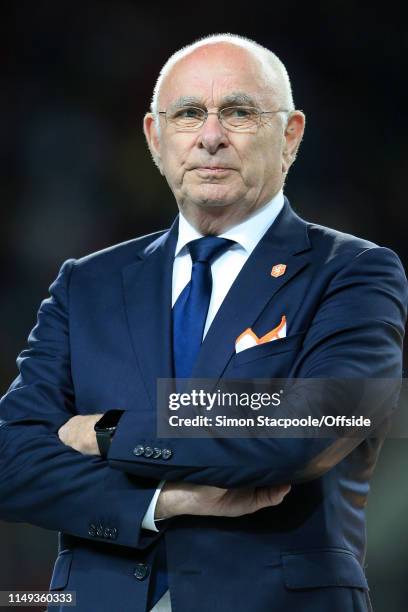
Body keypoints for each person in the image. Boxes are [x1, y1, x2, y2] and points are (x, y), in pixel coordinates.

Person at [0, 33, 406, 612]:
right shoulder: (85, 282)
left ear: (291, 135)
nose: (210, 136)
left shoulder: (355, 272)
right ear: (155, 137)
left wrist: (111, 430)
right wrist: (164, 501)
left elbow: (318, 417)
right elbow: (11, 460)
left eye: (238, 112)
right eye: (189, 113)